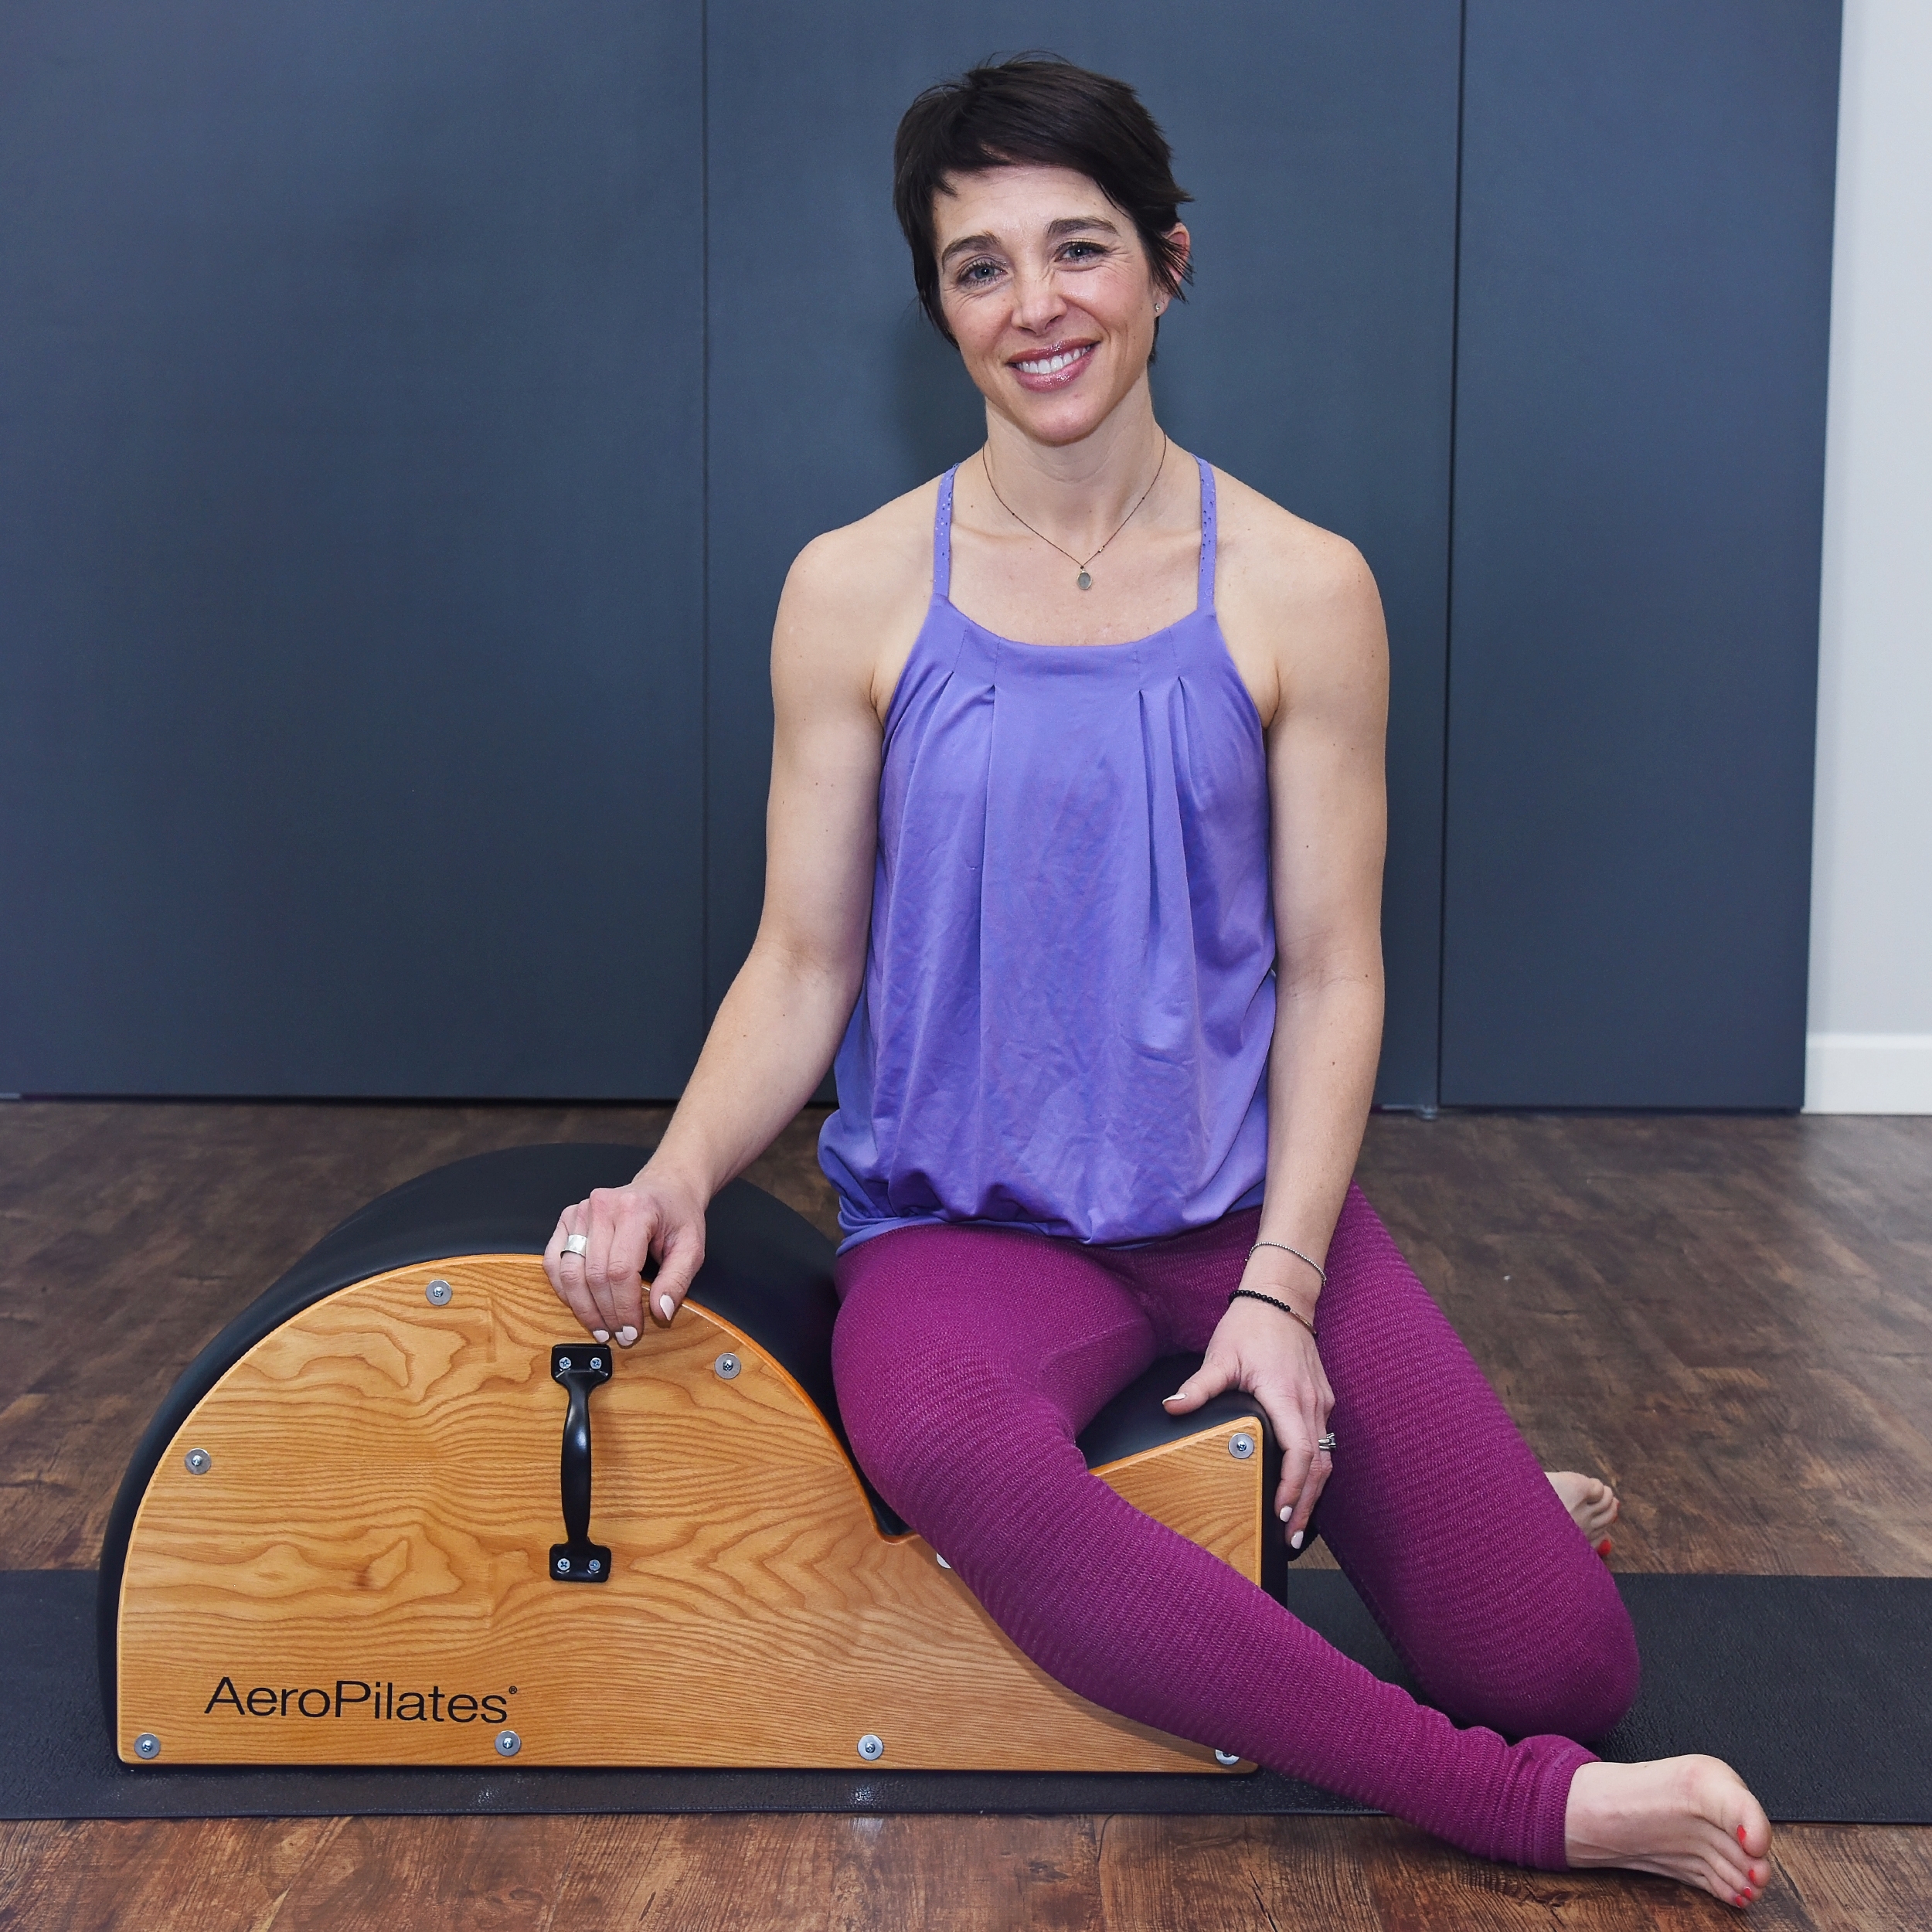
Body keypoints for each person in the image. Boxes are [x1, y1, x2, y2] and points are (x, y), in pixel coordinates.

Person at [544, 54, 1768, 1908]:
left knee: (1564, 1665)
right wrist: (671, 1176)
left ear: (1168, 264)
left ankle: (1478, 1515)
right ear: (935, 302)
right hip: (963, 1229)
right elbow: (802, 959)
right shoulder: (850, 591)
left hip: (1229, 1209)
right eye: (976, 266)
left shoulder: (1302, 586)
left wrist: (1282, 1284)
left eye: (1078, 248)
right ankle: (1512, 1803)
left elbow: (1338, 973)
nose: (1033, 307)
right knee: (952, 1445)